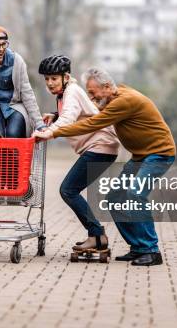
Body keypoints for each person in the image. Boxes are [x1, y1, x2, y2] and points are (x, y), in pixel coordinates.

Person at [34, 67, 176, 266]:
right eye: (88, 92)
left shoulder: (124, 101)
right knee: (115, 198)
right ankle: (137, 247)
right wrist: (57, 117)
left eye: (93, 92)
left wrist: (53, 133)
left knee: (135, 195)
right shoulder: (115, 96)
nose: (90, 97)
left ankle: (151, 251)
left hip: (159, 154)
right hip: (141, 156)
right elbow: (93, 111)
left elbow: (92, 122)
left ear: (108, 87)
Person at [38, 55, 120, 252]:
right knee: (70, 190)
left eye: (54, 78)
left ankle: (97, 235)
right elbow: (81, 113)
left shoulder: (72, 91)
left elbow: (69, 118)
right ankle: (97, 236)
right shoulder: (66, 94)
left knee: (68, 190)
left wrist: (47, 133)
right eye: (47, 79)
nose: (49, 83)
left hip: (100, 147)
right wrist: (54, 115)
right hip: (102, 148)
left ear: (66, 77)